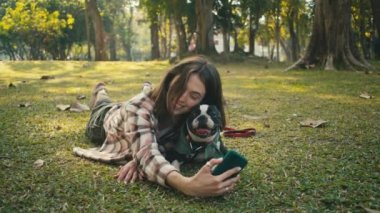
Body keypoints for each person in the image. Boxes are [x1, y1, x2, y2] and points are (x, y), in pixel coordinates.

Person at [74, 55, 241, 197]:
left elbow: (163, 147)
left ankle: (125, 91)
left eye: (194, 95)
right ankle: (100, 92)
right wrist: (188, 185)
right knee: (102, 105)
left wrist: (140, 159)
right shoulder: (138, 107)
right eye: (179, 87)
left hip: (133, 115)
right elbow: (148, 153)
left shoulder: (193, 115)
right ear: (170, 80)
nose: (182, 98)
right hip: (106, 120)